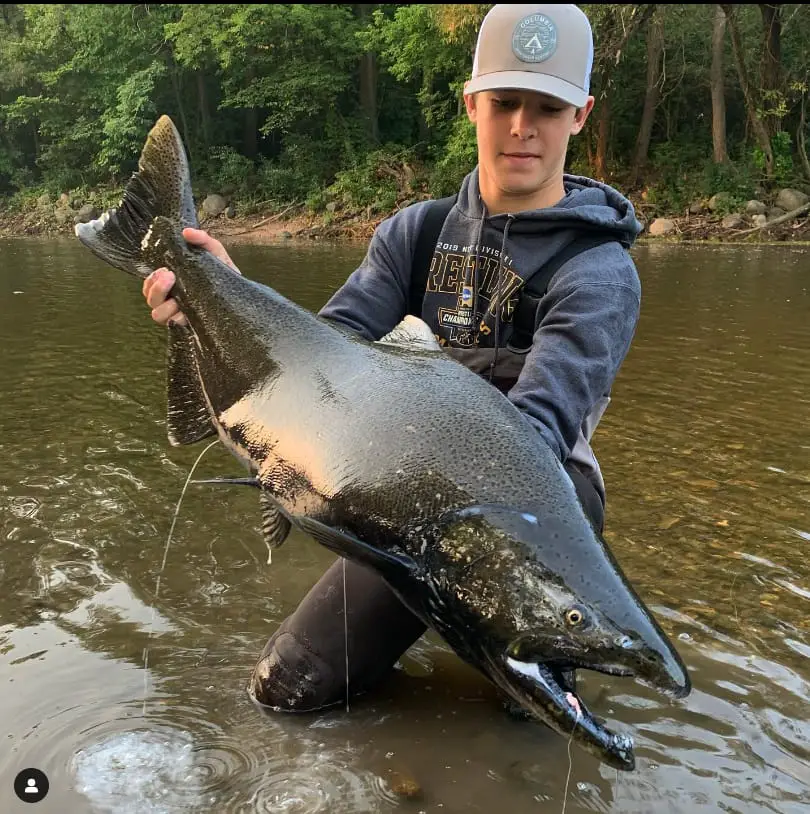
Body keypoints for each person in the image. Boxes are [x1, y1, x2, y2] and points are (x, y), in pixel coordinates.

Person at [142, 4, 643, 715]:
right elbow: (324, 353)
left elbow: (541, 426)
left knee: (534, 718)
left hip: (536, 514)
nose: (522, 127)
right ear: (472, 102)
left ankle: (533, 661)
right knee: (284, 691)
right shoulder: (416, 232)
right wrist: (221, 290)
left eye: (547, 107)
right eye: (504, 102)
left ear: (582, 116)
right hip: (400, 502)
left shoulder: (597, 269)